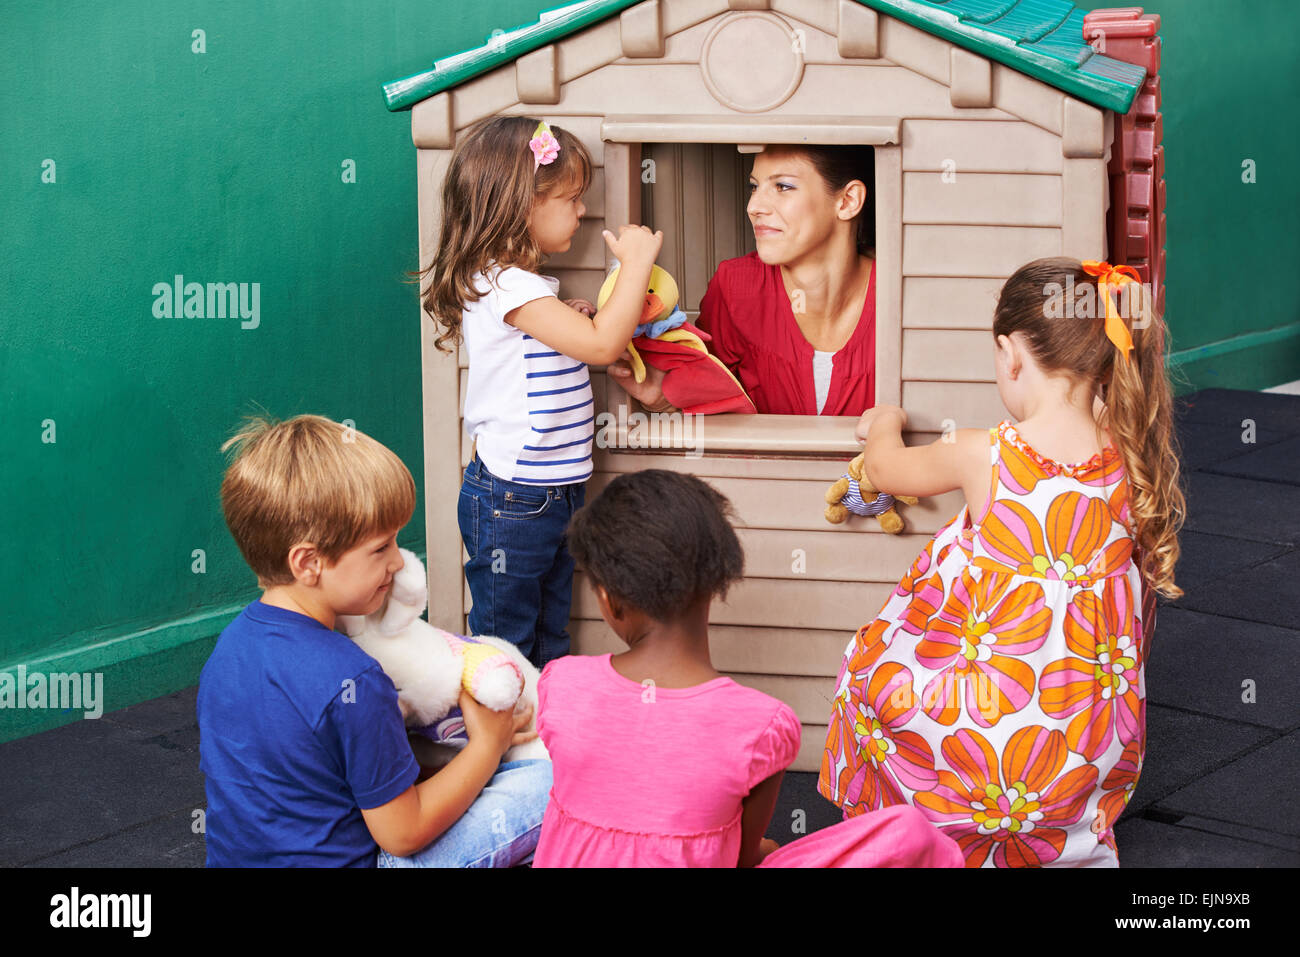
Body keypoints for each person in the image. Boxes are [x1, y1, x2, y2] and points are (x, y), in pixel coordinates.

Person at [818, 257, 1187, 867]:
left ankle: (915, 836)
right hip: (1078, 755)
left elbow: (883, 471)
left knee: (866, 672)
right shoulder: (1126, 456)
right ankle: (1060, 845)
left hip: (977, 739)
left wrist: (885, 422)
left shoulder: (985, 453)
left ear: (1010, 355)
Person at [531, 469, 964, 868]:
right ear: (718, 581)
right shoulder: (763, 725)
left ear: (607, 599)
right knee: (906, 831)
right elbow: (740, 859)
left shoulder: (561, 685)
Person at [198, 414, 545, 867]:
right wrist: (488, 745)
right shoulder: (353, 677)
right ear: (308, 563)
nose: (399, 563)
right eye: (381, 548)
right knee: (545, 783)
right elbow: (403, 834)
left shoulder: (228, 649)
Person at [421, 115, 663, 669]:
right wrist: (637, 266)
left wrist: (572, 318)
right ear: (523, 204)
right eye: (573, 199)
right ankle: (497, 741)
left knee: (547, 633)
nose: (582, 211)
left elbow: (563, 344)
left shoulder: (522, 288)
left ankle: (539, 734)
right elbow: (602, 346)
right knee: (506, 640)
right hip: (515, 498)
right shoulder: (509, 284)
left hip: (553, 491)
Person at [610, 144, 876, 416]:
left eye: (783, 187)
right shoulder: (735, 287)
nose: (753, 207)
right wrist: (665, 398)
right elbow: (715, 396)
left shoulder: (897, 295)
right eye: (754, 187)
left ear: (848, 201)